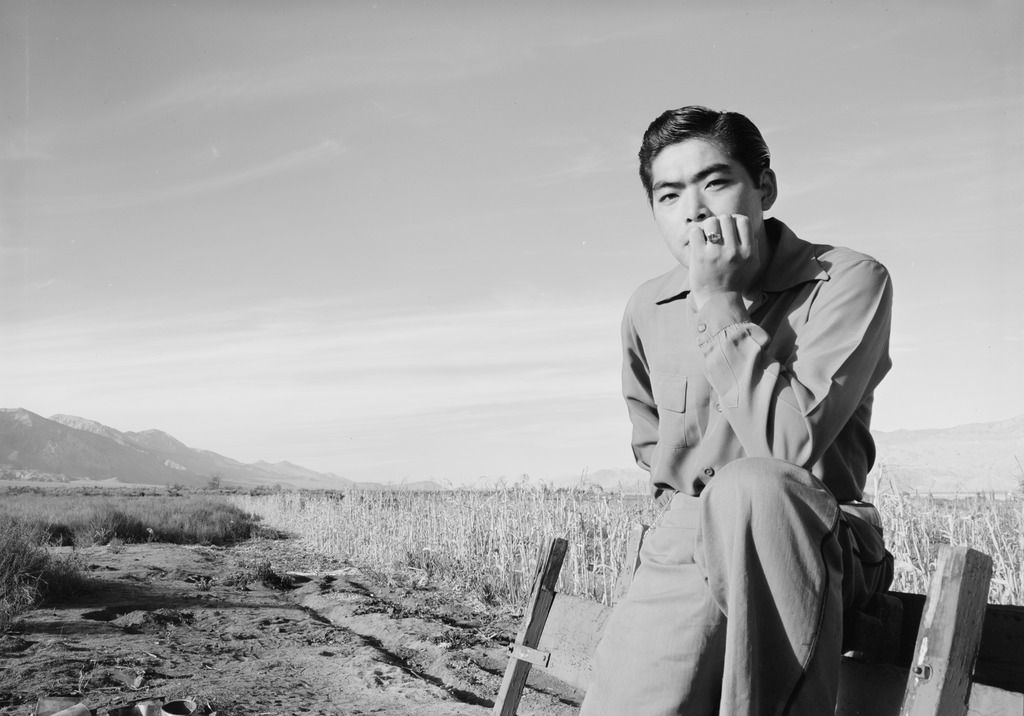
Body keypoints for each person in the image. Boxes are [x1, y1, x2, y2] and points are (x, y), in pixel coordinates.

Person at [579, 106, 895, 716]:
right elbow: (653, 447)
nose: (694, 210)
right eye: (669, 195)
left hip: (816, 537)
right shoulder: (647, 306)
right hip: (688, 541)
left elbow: (788, 453)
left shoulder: (847, 280)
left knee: (755, 486)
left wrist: (721, 303)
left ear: (765, 190)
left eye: (716, 182)